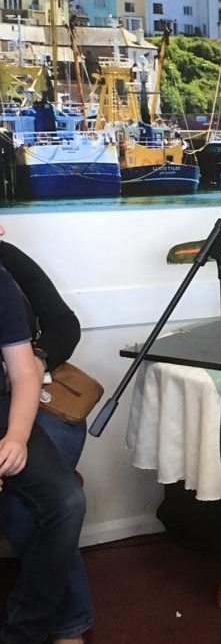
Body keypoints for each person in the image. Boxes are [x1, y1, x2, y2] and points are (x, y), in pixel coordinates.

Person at [0, 228, 92, 643]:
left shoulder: (6, 264)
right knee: (25, 507)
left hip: (41, 406)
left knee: (40, 504)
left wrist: (36, 361)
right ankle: (67, 621)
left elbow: (64, 325)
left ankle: (61, 627)